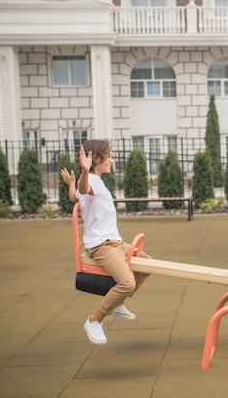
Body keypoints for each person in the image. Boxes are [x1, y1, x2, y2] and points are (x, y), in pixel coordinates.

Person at [62, 140, 150, 345]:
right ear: (95, 159)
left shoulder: (97, 181)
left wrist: (71, 184)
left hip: (115, 241)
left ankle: (116, 301)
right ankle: (94, 320)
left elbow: (75, 197)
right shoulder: (91, 180)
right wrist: (83, 173)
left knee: (146, 266)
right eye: (108, 156)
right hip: (101, 245)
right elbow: (84, 191)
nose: (111, 160)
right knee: (127, 283)